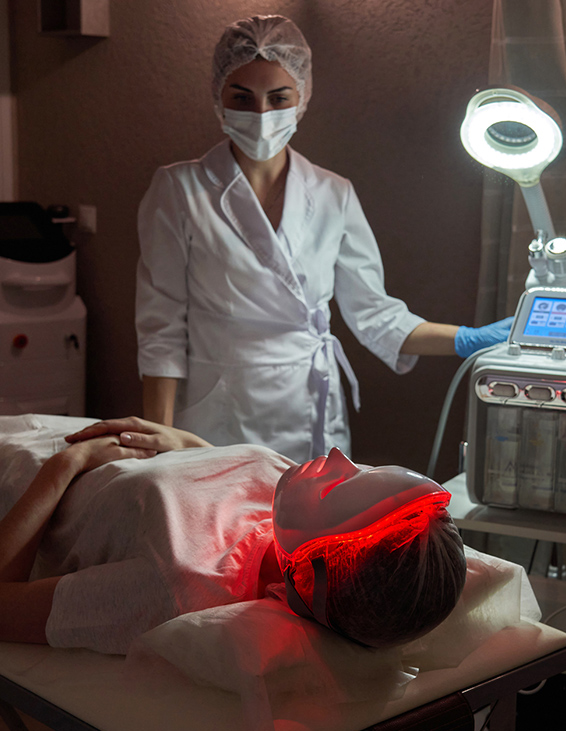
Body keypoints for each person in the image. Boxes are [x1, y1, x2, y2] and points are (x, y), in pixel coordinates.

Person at [136, 14, 513, 463]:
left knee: (313, 508)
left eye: (278, 98)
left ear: (302, 98)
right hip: (218, 414)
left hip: (308, 406)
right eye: (242, 97)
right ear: (219, 96)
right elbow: (162, 328)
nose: (261, 115)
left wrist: (467, 339)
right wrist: (159, 445)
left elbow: (375, 314)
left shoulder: (334, 193)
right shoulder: (180, 190)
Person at [0, 416, 465, 654]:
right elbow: (223, 490)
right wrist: (187, 445)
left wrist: (67, 465)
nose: (339, 457)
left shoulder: (176, 582)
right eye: (364, 470)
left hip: (20, 475)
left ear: (308, 575)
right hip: (49, 432)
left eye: (341, 486)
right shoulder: (292, 510)